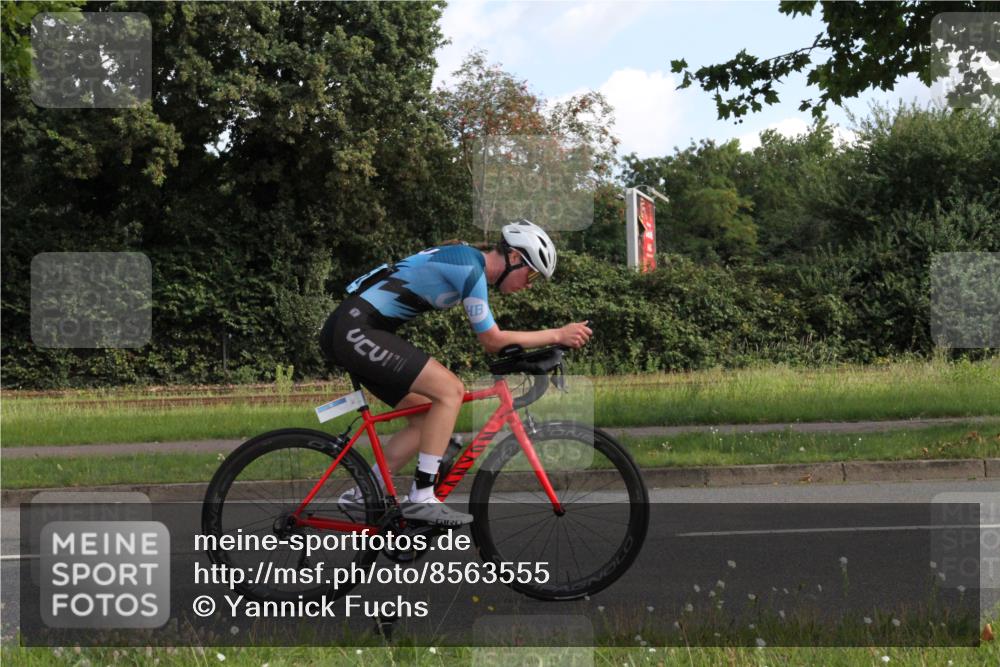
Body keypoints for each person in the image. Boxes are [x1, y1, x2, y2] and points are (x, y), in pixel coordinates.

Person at [319, 219, 592, 527]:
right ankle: (422, 496)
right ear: (514, 257)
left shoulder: (467, 263)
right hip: (355, 329)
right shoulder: (469, 266)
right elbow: (492, 340)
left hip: (354, 329)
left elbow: (494, 340)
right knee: (451, 390)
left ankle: (362, 495)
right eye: (530, 274)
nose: (528, 284)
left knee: (424, 420)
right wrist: (557, 335)